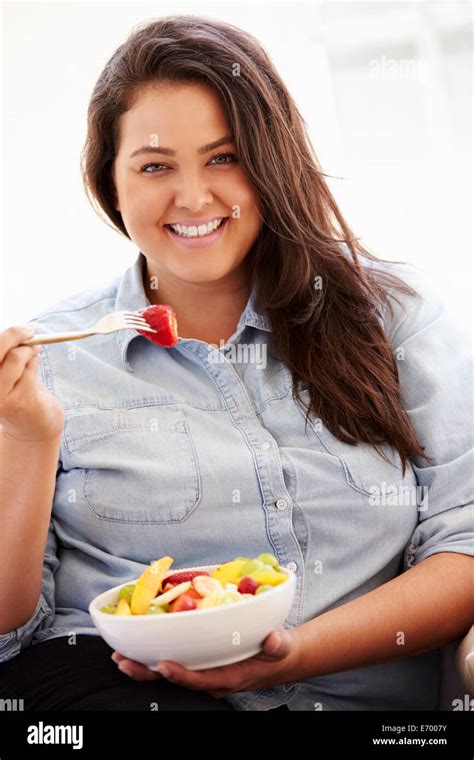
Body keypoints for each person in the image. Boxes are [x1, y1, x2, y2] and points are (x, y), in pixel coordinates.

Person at [0, 15, 472, 712]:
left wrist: (293, 655)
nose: (193, 198)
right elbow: (13, 630)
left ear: (272, 160)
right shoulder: (53, 361)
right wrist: (27, 441)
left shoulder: (393, 316)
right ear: (110, 180)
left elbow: (463, 545)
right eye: (155, 166)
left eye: (225, 158)